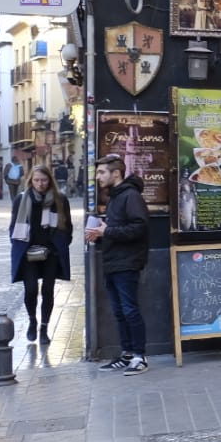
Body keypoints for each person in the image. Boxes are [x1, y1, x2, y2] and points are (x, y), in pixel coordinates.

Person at [85, 154, 151, 375]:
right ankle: (127, 354)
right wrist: (102, 232)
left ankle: (140, 357)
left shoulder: (131, 196)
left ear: (116, 173)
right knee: (120, 312)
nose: (98, 176)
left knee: (130, 311)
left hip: (127, 262)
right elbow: (119, 228)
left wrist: (108, 231)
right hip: (113, 262)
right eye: (98, 172)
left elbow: (139, 228)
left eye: (102, 172)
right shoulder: (115, 196)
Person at [10, 165, 73, 343]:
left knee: (48, 290)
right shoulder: (21, 199)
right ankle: (32, 321)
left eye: (44, 180)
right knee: (30, 289)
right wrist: (18, 245)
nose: (40, 184)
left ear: (50, 180)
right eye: (36, 180)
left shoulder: (59, 199)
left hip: (51, 253)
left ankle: (44, 327)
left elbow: (67, 227)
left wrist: (61, 244)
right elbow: (13, 227)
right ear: (31, 180)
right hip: (28, 253)